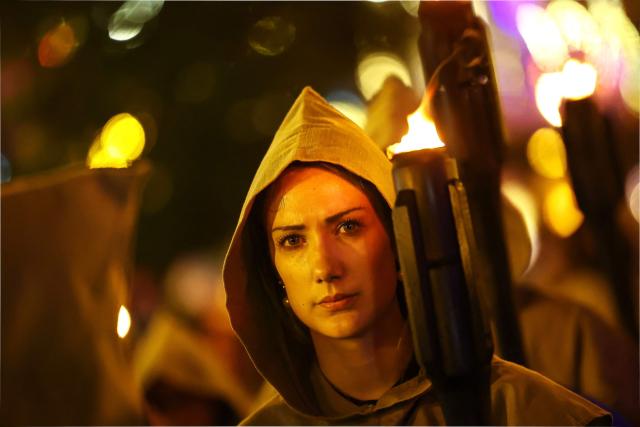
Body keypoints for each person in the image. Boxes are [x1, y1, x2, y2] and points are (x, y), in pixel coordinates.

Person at [222, 86, 611, 425]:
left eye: (348, 227)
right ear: (271, 272)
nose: (325, 267)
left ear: (400, 242)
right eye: (292, 241)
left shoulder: (521, 410)